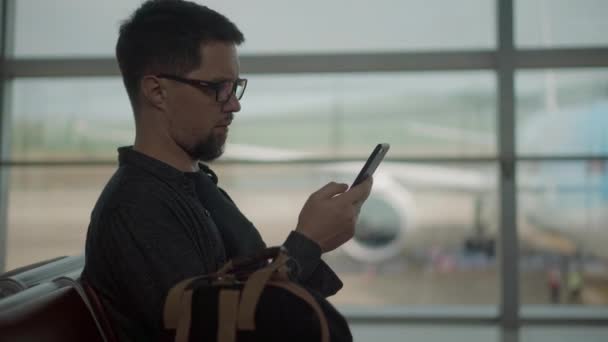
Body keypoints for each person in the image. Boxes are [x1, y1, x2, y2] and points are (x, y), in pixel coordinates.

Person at [81, 1, 373, 341]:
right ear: (157, 91)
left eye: (234, 87)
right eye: (217, 88)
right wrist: (308, 243)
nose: (234, 104)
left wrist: (312, 244)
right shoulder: (138, 208)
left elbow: (243, 295)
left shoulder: (195, 188)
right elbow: (224, 330)